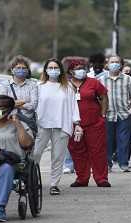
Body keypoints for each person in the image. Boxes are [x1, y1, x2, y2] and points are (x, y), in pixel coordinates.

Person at [33, 58, 82, 195]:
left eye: (56, 68)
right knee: (36, 153)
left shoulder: (67, 87)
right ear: (46, 70)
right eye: (50, 67)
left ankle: (54, 184)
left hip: (62, 125)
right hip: (42, 124)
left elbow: (74, 107)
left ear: (60, 70)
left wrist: (77, 123)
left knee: (58, 156)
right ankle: (33, 180)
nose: (53, 70)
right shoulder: (39, 86)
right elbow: (33, 105)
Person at [67, 61, 111, 187]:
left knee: (98, 151)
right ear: (71, 71)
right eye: (78, 68)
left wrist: (103, 115)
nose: (81, 70)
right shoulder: (66, 85)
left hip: (94, 123)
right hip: (74, 125)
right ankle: (82, 178)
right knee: (77, 151)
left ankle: (101, 178)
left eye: (83, 68)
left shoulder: (93, 82)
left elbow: (104, 97)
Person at [98, 55, 131, 172]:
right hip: (107, 114)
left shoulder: (128, 79)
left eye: (117, 62)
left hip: (124, 114)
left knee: (124, 140)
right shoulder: (100, 79)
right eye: (112, 62)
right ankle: (107, 164)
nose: (114, 64)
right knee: (107, 140)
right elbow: (97, 97)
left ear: (121, 65)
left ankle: (123, 163)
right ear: (107, 64)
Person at [0, 55, 38, 120]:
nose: (21, 70)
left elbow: (33, 105)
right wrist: (24, 102)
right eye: (18, 68)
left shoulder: (33, 85)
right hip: (9, 121)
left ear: (27, 70)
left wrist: (11, 104)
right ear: (12, 70)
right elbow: (2, 103)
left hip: (27, 123)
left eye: (24, 68)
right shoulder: (4, 85)